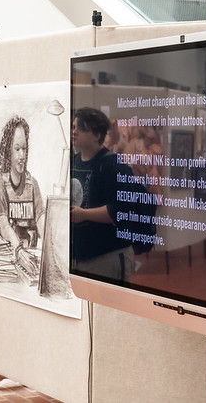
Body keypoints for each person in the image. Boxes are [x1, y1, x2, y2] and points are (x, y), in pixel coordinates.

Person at [70, 107, 155, 283]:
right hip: (80, 257)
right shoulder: (73, 162)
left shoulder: (113, 166)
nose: (74, 132)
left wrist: (83, 214)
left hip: (108, 257)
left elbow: (119, 210)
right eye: (73, 127)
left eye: (80, 128)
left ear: (96, 134)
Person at [0, 115, 46, 255]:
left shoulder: (32, 184)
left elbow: (42, 222)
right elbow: (3, 225)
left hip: (29, 258)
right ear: (8, 151)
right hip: (6, 258)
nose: (22, 155)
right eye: (17, 149)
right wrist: (19, 251)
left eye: (24, 148)